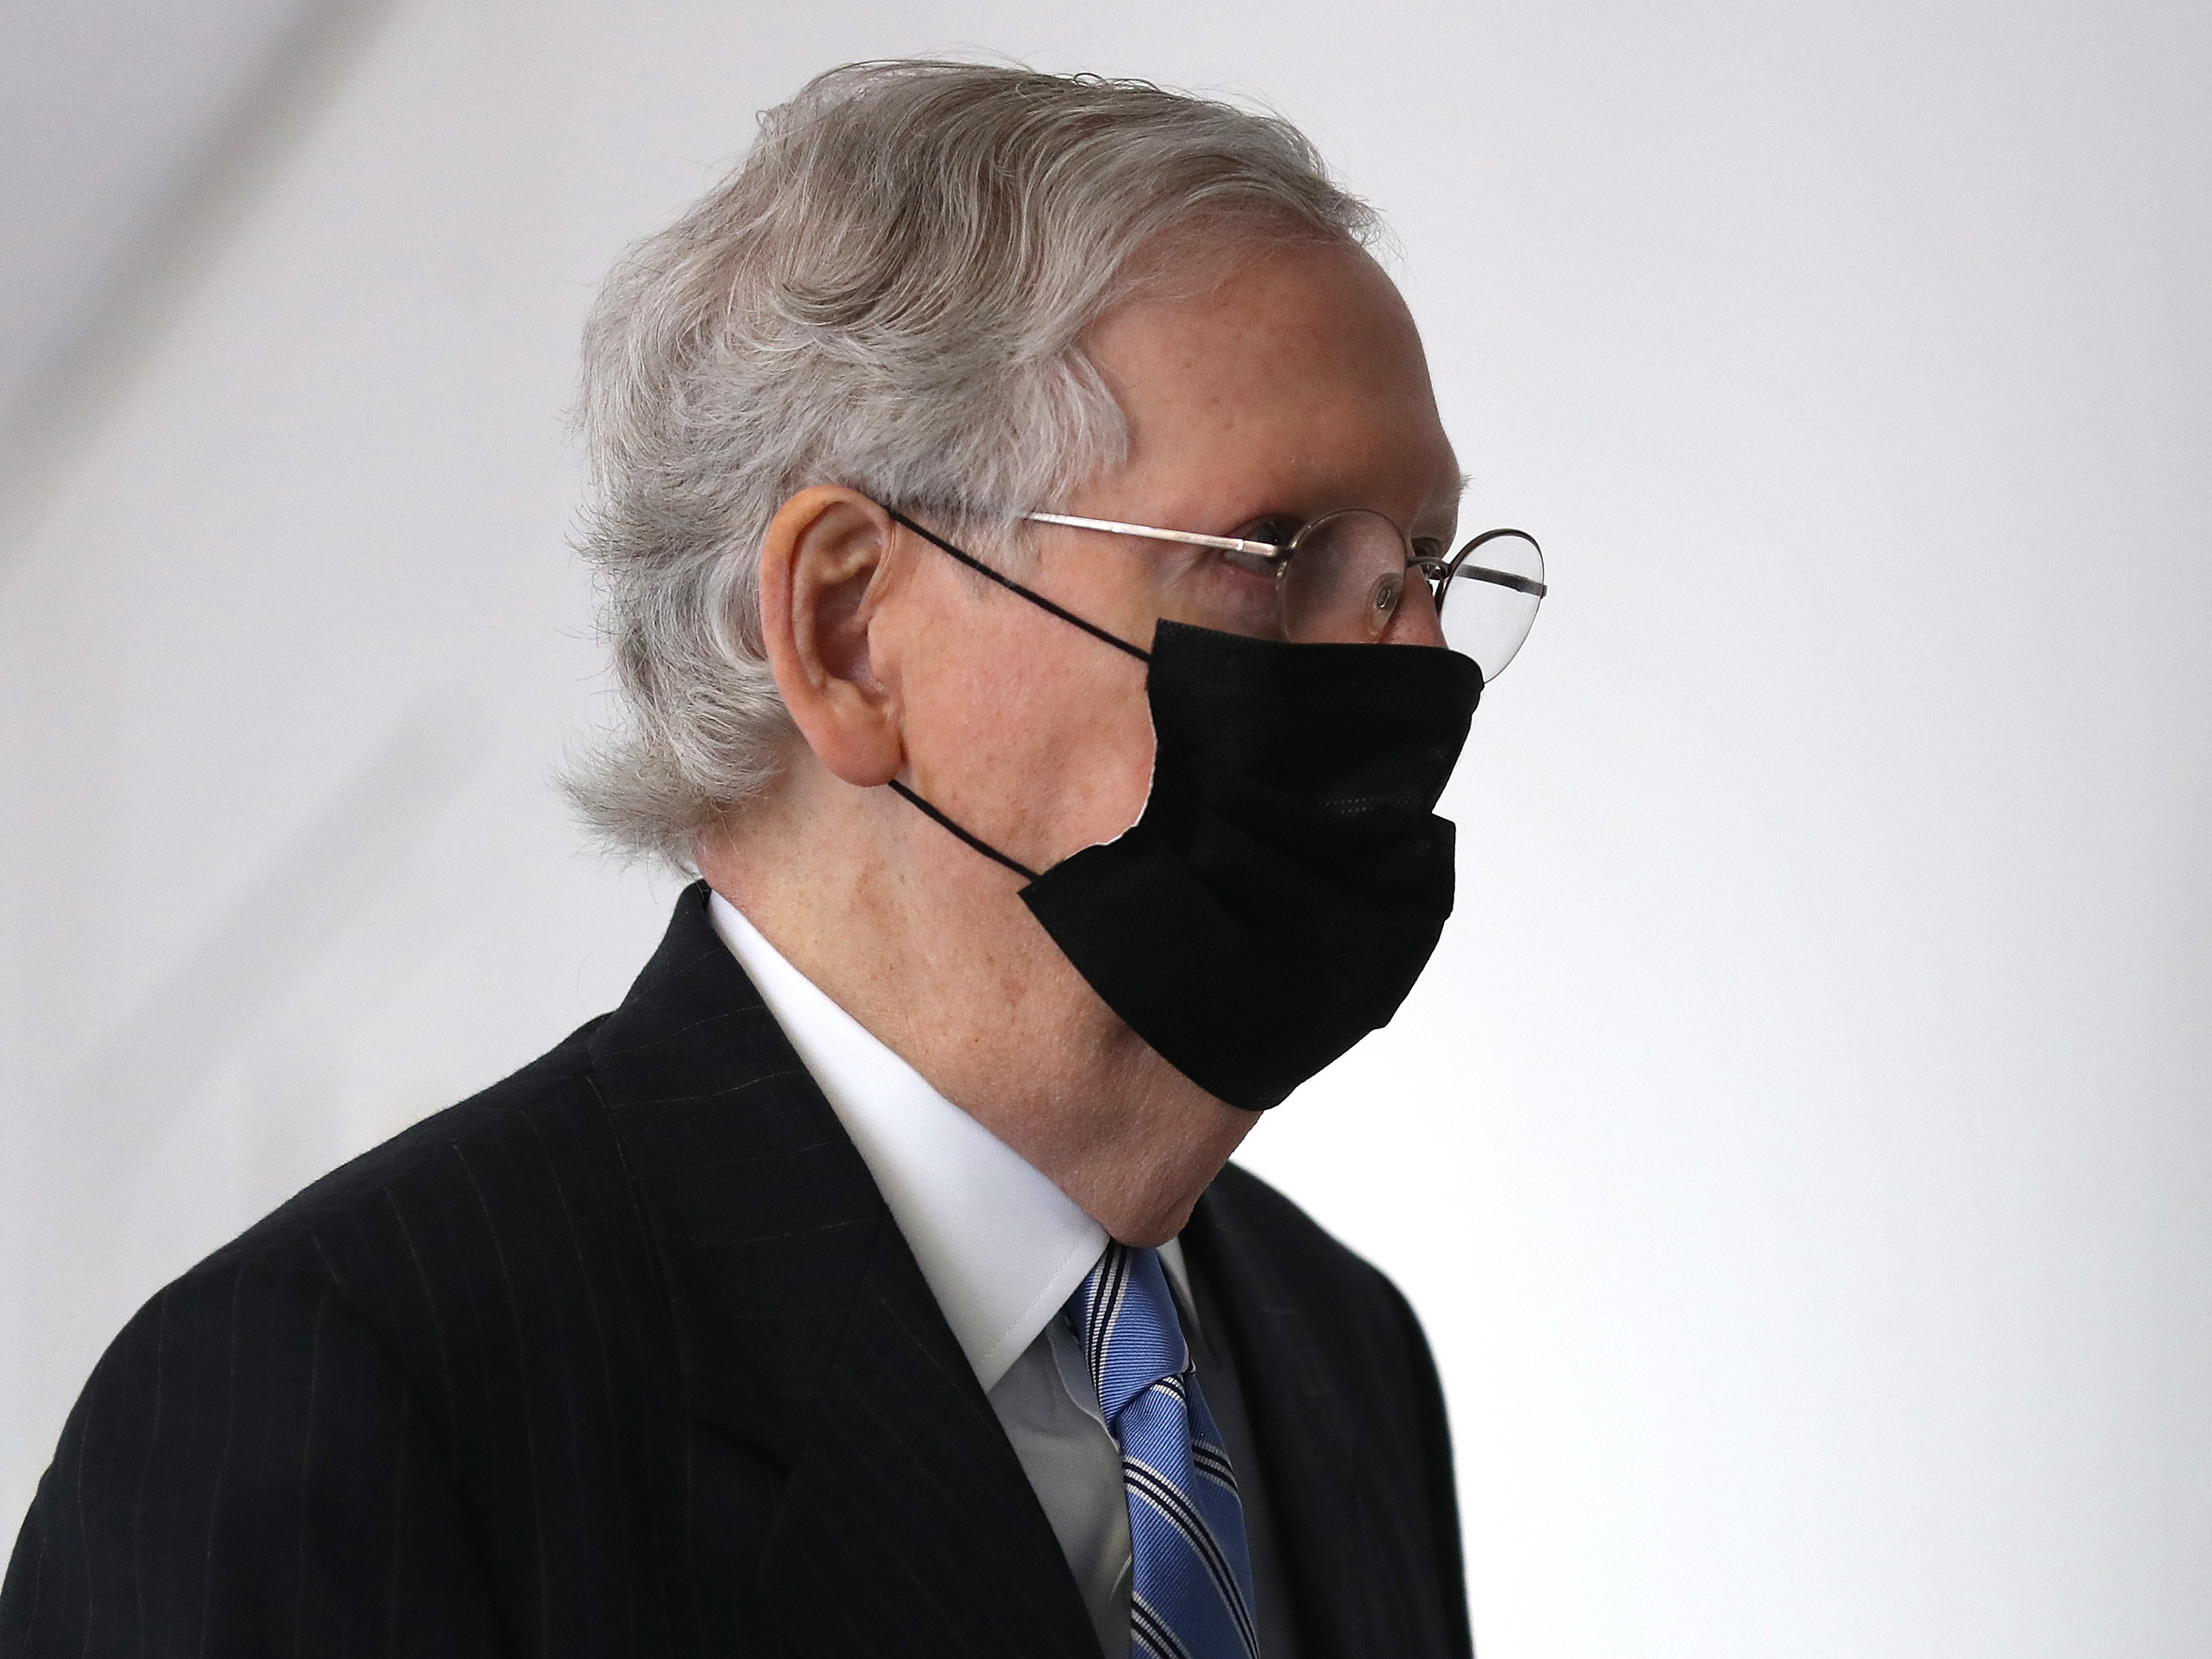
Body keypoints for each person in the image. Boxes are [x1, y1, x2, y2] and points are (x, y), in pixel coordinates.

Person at [1, 60, 1543, 1658]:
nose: (1416, 663)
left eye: (1421, 565)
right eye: (1281, 553)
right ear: (848, 628)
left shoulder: (1336, 1353)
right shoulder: (331, 1397)